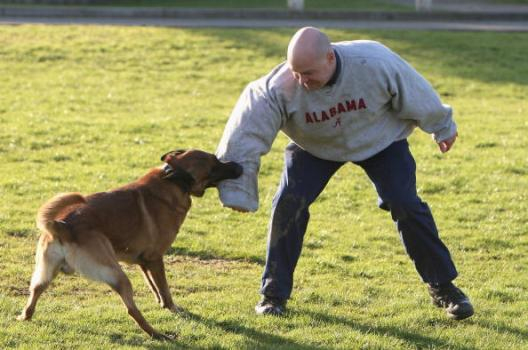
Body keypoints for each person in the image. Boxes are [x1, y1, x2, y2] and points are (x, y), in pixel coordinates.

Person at [215, 27, 473, 320]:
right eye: (296, 72)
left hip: (380, 139)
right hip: (314, 146)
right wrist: (237, 188)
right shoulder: (278, 87)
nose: (301, 80)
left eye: (309, 73)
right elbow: (244, 135)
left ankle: (444, 288)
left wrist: (442, 125)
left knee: (405, 202)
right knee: (288, 204)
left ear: (329, 57)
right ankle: (273, 295)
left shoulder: (373, 61)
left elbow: (414, 89)